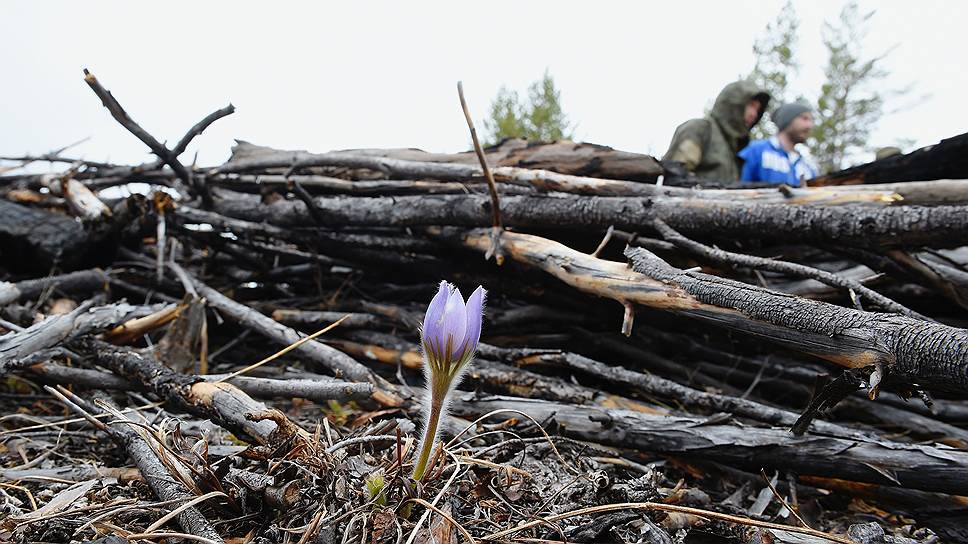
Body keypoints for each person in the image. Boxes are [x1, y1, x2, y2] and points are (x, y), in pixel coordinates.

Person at [663, 80, 770, 182]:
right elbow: (674, 176)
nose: (754, 114)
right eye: (751, 105)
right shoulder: (700, 129)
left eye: (757, 110)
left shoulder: (737, 147)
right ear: (734, 102)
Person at [738, 102, 817, 186]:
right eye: (804, 118)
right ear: (788, 119)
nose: (810, 125)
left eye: (811, 120)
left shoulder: (807, 168)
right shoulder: (755, 151)